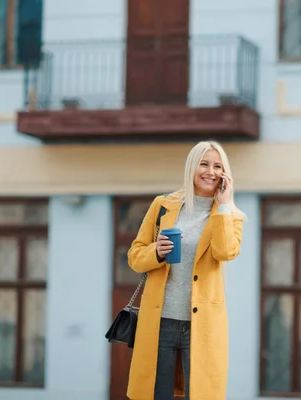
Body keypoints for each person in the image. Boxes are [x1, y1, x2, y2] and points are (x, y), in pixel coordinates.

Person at [126, 140, 245, 400]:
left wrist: (223, 206)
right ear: (192, 167)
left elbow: (226, 252)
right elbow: (135, 256)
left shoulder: (231, 216)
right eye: (204, 164)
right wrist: (156, 252)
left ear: (225, 173)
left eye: (217, 166)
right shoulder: (163, 206)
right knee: (155, 394)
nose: (210, 172)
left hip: (202, 324)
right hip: (160, 321)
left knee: (201, 394)